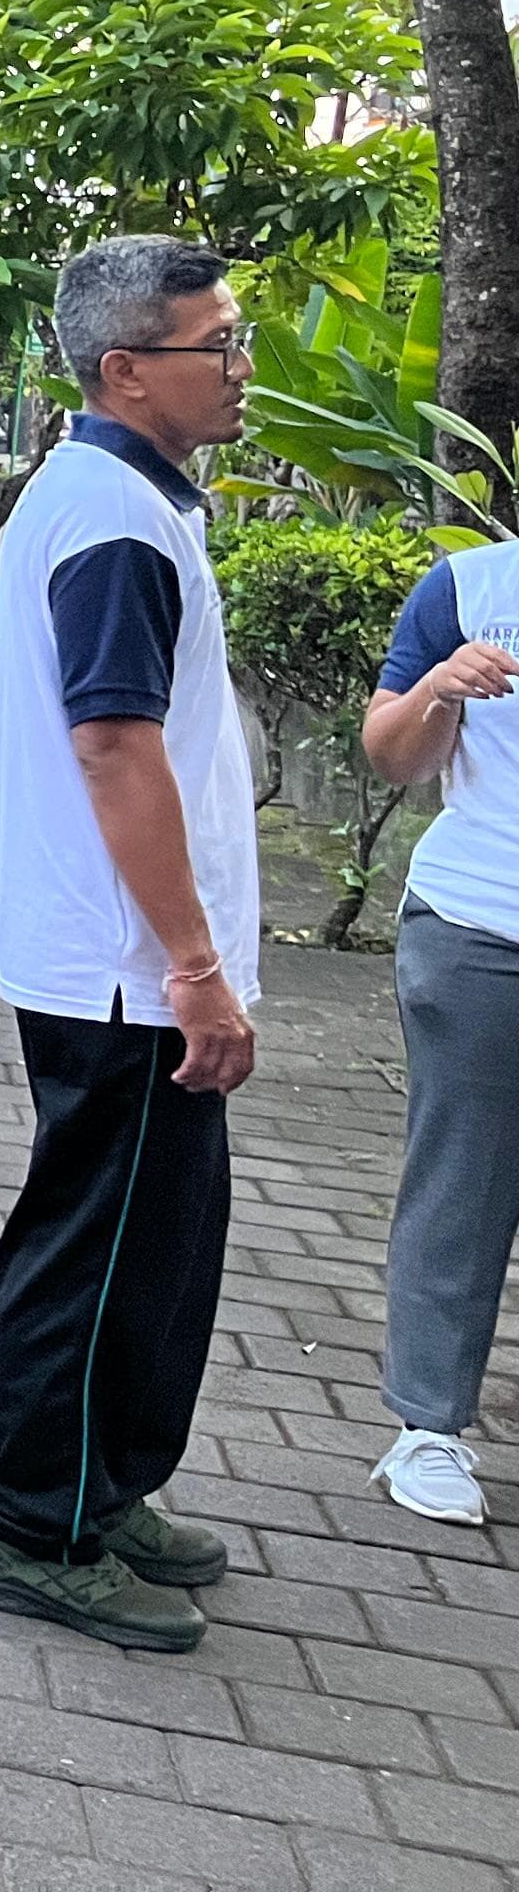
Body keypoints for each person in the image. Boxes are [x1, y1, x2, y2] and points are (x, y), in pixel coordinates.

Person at [0, 237, 257, 1651]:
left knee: (158, 1242)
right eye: (220, 344)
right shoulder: (113, 521)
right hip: (128, 969)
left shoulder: (121, 498)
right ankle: (31, 1521)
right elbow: (117, 746)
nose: (242, 368)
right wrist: (194, 966)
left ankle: (105, 1480)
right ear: (127, 370)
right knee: (99, 1240)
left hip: (130, 958)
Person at [354, 537, 519, 1527]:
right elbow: (391, 753)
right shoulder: (469, 588)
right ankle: (426, 1428)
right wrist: (442, 691)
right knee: (464, 1178)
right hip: (480, 927)